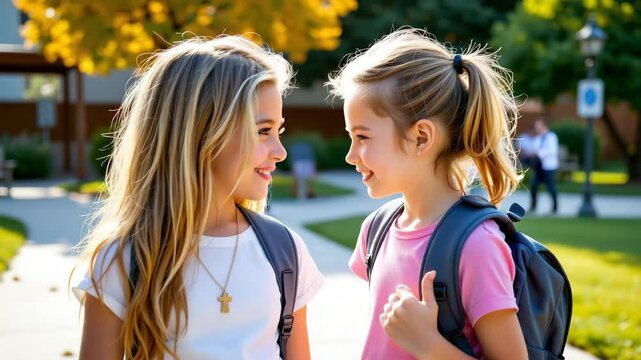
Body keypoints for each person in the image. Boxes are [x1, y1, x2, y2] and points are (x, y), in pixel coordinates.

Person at [71, 35, 323, 359]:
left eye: (279, 131)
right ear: (202, 133)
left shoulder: (285, 251)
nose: (280, 151)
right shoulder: (122, 261)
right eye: (263, 131)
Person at [327, 28, 527, 359]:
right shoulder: (376, 231)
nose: (350, 155)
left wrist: (428, 346)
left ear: (421, 137)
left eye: (362, 137)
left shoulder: (478, 246)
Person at [529, 117, 559, 213]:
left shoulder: (551, 137)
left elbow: (552, 151)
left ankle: (554, 208)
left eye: (538, 126)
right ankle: (533, 206)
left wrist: (539, 153)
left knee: (551, 187)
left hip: (549, 167)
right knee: (533, 185)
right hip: (539, 168)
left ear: (543, 126)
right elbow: (534, 150)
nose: (536, 128)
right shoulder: (537, 138)